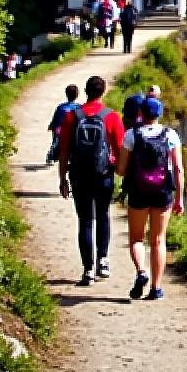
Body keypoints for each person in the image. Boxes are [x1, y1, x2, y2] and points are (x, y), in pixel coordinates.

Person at [58, 75, 125, 285]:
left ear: (86, 91)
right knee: (103, 216)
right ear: (103, 92)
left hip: (79, 174)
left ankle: (87, 269)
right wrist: (119, 170)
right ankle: (102, 261)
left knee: (85, 221)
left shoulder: (72, 117)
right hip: (103, 174)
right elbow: (120, 148)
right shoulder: (111, 117)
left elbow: (64, 151)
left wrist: (62, 178)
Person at [117, 96, 184, 301]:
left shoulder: (131, 135)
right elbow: (179, 169)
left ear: (141, 113)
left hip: (138, 191)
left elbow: (120, 170)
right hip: (163, 192)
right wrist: (179, 198)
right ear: (159, 114)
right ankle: (156, 288)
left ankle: (141, 272)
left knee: (137, 238)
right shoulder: (170, 135)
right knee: (158, 240)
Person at [46, 83, 80, 165]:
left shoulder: (61, 107)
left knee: (55, 142)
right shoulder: (79, 107)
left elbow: (55, 119)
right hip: (73, 130)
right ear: (77, 95)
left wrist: (52, 126)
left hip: (59, 130)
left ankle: (51, 156)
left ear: (66, 94)